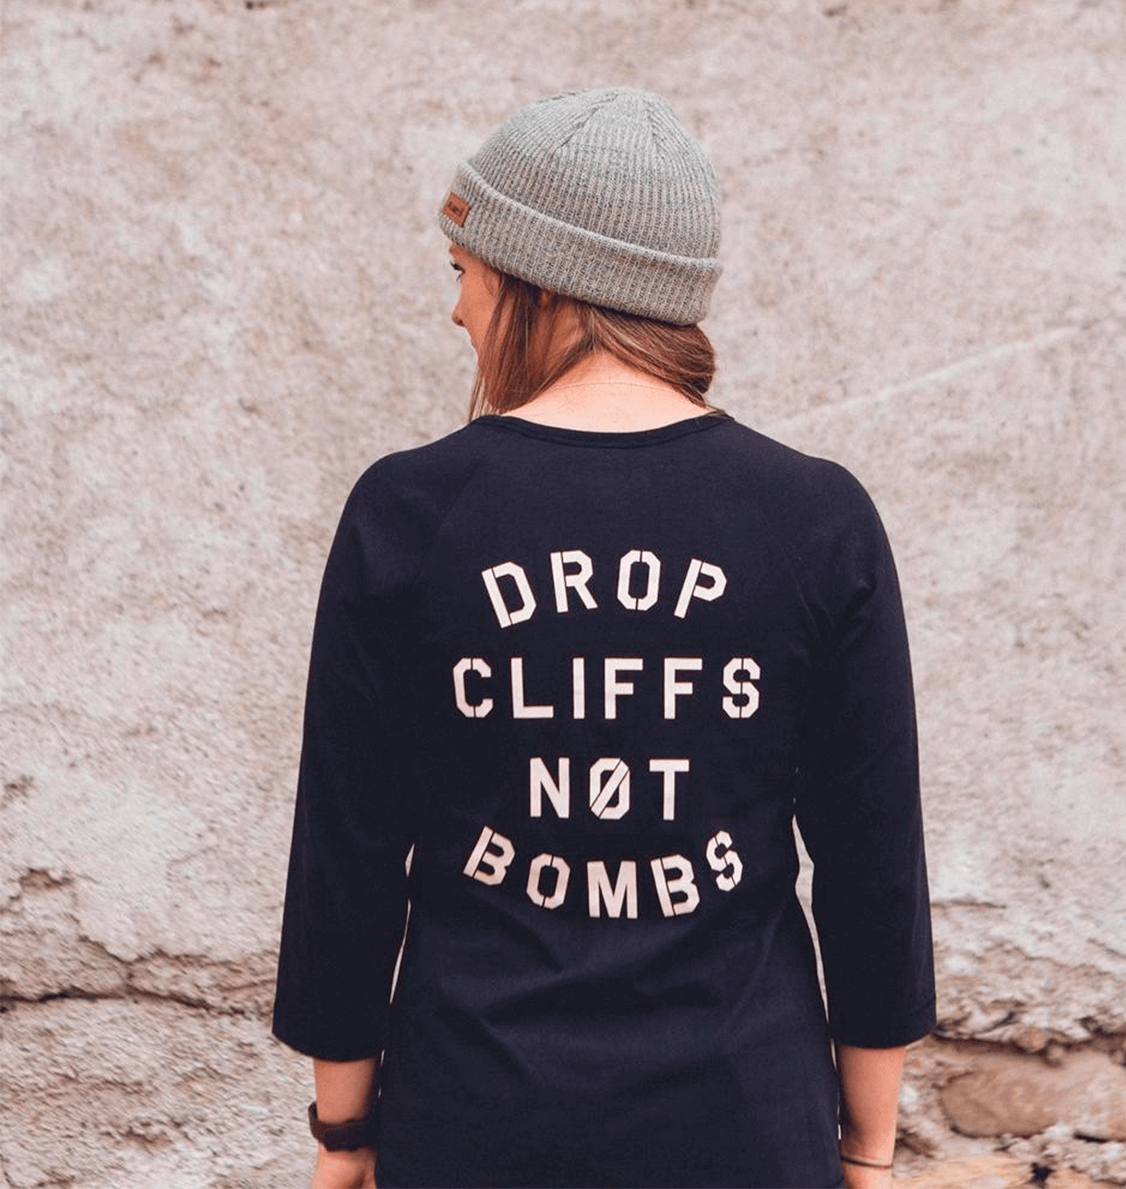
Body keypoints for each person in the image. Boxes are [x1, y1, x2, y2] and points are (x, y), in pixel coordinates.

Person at [271, 87, 936, 1189]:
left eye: (462, 271)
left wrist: (343, 1136)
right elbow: (874, 869)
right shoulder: (816, 519)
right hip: (744, 1122)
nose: (456, 312)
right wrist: (868, 1144)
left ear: (538, 281)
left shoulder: (410, 513)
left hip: (475, 1119)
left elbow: (347, 856)